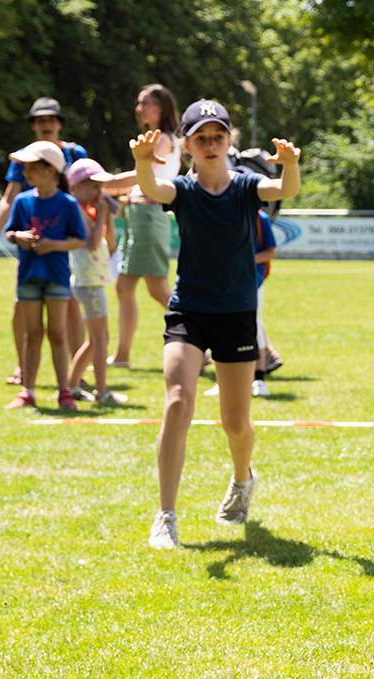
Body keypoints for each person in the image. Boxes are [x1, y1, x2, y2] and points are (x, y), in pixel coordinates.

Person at [127, 100, 300, 550]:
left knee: (236, 422)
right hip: (189, 310)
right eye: (200, 137)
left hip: (237, 314)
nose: (210, 144)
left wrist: (292, 164)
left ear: (229, 143)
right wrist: (143, 163)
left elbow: (284, 189)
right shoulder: (181, 190)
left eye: (217, 137)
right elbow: (152, 189)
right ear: (186, 145)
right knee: (178, 401)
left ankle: (242, 479)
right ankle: (165, 515)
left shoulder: (246, 187)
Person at [0, 97, 90, 386]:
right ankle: (24, 369)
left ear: (59, 124)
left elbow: (90, 188)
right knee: (23, 308)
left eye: (51, 119)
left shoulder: (74, 153)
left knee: (71, 307)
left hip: (68, 240)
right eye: (40, 120)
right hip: (33, 251)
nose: (46, 124)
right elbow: (8, 198)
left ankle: (75, 372)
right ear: (33, 126)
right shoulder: (28, 160)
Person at [1, 141, 88, 410]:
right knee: (32, 334)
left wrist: (53, 246)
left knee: (58, 334)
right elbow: (10, 232)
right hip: (28, 275)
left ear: (51, 170)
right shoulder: (22, 201)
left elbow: (79, 239)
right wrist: (18, 237)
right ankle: (28, 391)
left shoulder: (68, 204)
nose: (24, 172)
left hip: (57, 276)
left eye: (31, 167)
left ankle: (64, 392)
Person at [112, 84, 182, 368]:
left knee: (157, 290)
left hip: (150, 215)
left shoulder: (164, 139)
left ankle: (201, 342)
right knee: (124, 286)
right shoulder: (156, 139)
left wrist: (102, 183)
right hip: (140, 214)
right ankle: (122, 356)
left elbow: (143, 177)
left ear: (162, 108)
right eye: (138, 103)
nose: (139, 109)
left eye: (146, 103)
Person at [61, 158, 127, 406]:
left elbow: (109, 244)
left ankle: (72, 386)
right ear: (78, 187)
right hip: (88, 283)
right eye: (94, 186)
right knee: (101, 339)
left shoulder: (89, 210)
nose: (100, 192)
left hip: (92, 281)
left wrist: (106, 216)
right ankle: (102, 392)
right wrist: (100, 215)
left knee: (95, 339)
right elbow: (90, 243)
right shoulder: (76, 211)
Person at [203, 209, 278, 399]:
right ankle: (223, 382)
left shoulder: (260, 218)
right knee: (222, 328)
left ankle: (259, 379)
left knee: (252, 325)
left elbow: (270, 252)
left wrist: (244, 260)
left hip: (251, 282)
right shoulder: (220, 213)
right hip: (222, 280)